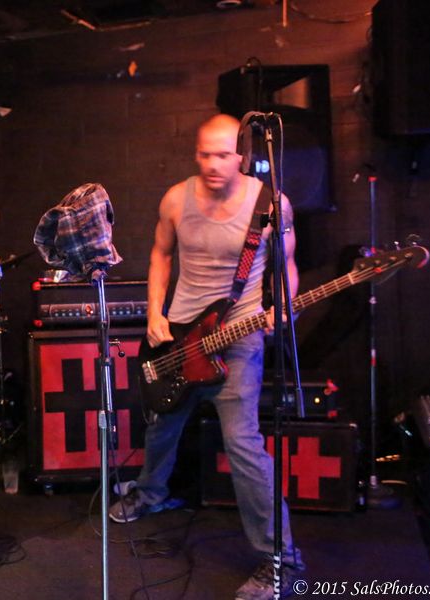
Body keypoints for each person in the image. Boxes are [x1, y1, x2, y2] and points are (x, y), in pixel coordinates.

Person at [107, 114, 305, 600]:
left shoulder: (270, 204)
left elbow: (287, 266)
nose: (213, 164)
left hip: (238, 336)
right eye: (204, 154)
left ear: (242, 155)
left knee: (243, 443)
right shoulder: (176, 199)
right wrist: (155, 312)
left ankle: (280, 558)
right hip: (180, 334)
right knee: (161, 423)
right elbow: (160, 255)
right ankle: (151, 494)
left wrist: (283, 308)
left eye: (223, 155)